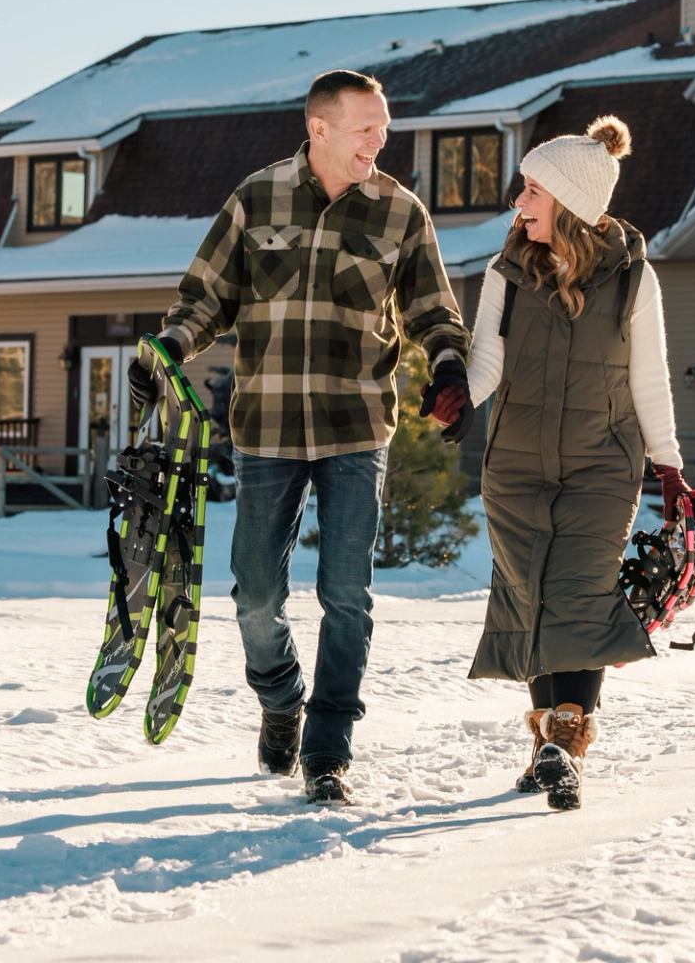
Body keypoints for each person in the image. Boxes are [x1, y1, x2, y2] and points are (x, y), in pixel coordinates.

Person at [132, 69, 472, 805]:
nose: (381, 141)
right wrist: (168, 349)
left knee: (346, 594)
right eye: (367, 128)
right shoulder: (257, 199)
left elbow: (434, 311)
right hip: (268, 428)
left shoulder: (400, 212)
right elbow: (205, 297)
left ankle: (327, 751)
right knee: (255, 593)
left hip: (357, 427)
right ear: (319, 128)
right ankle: (281, 697)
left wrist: (449, 367)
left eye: (385, 128)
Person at [465, 114, 685, 811]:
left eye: (531, 189)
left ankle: (566, 742)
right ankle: (548, 751)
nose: (518, 202)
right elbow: (485, 363)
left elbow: (650, 378)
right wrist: (442, 400)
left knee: (581, 597)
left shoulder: (632, 281)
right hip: (516, 466)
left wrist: (671, 469)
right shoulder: (507, 270)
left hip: (601, 464)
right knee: (532, 597)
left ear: (569, 200)